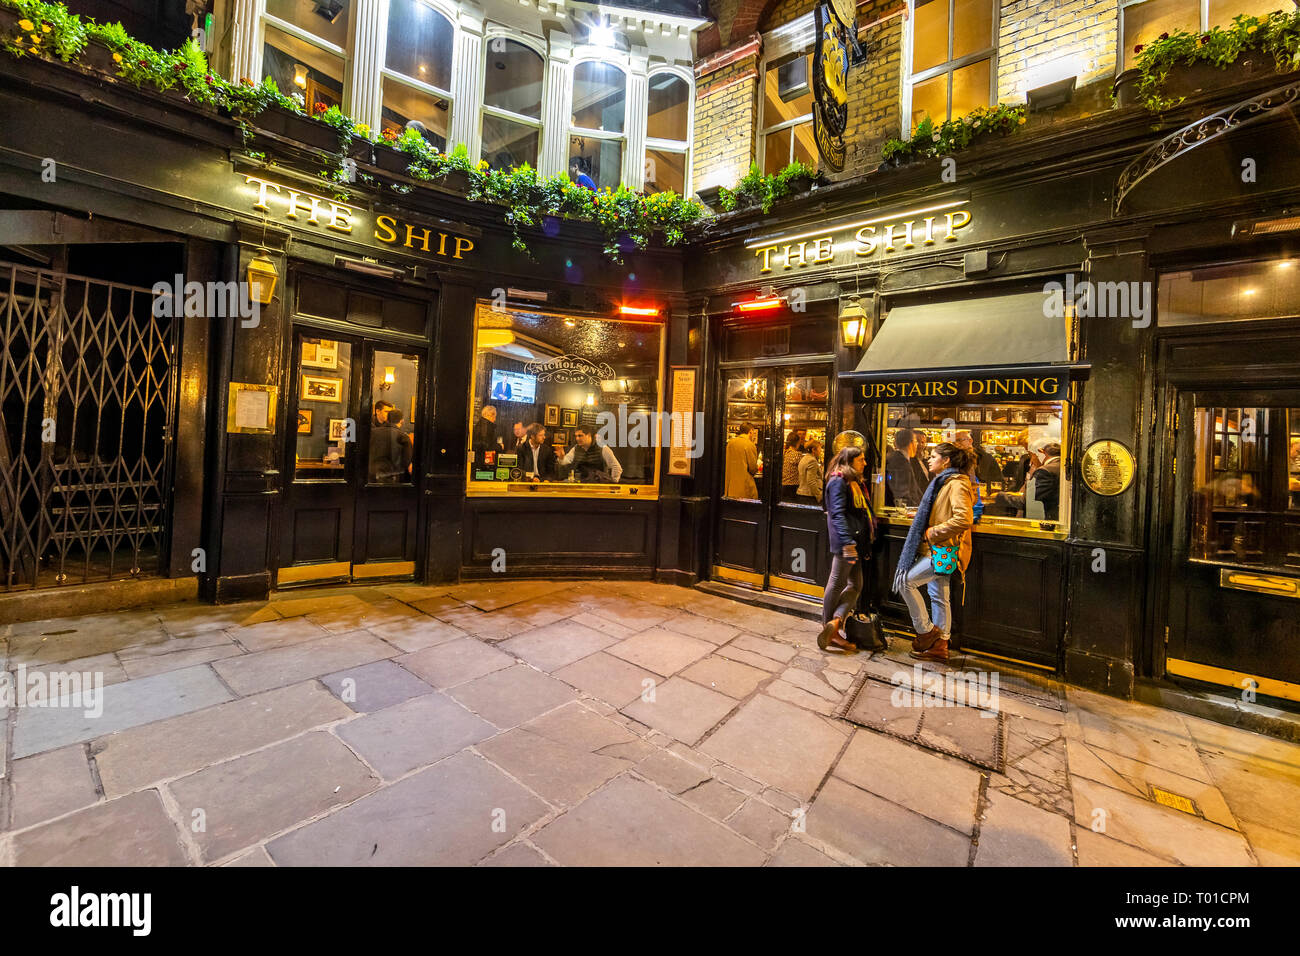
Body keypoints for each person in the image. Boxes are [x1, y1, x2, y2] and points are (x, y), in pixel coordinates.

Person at [891, 442, 975, 663]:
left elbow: (964, 518)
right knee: (939, 596)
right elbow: (942, 510)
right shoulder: (945, 481)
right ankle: (941, 646)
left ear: (946, 461)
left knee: (904, 583)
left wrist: (932, 532)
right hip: (941, 548)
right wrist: (921, 517)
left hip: (944, 548)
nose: (929, 458)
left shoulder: (956, 484)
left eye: (934, 456)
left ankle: (927, 631)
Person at [818, 446, 875, 653]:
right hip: (847, 541)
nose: (865, 463)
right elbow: (837, 515)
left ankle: (835, 621)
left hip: (855, 540)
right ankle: (829, 628)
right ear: (849, 461)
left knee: (856, 585)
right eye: (861, 459)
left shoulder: (853, 481)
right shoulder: (837, 481)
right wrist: (847, 542)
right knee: (836, 582)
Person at [558, 424, 622, 482]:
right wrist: (561, 458)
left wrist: (613, 483)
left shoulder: (602, 448)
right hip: (580, 482)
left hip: (597, 483)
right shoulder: (576, 448)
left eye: (580, 436)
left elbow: (616, 467)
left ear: (588, 435)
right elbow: (566, 461)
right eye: (576, 436)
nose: (577, 438)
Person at [369, 407, 413, 482]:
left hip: (370, 477)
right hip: (392, 478)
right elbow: (406, 462)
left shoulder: (372, 433)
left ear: (387, 419)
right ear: (402, 421)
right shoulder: (403, 437)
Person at [885, 427, 923, 507]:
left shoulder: (901, 459)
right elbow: (902, 493)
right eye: (916, 441)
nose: (917, 445)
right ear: (911, 443)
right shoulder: (899, 461)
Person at [724, 425, 760, 499]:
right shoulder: (750, 445)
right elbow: (752, 468)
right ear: (750, 432)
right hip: (744, 487)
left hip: (730, 487)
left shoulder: (730, 443)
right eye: (753, 432)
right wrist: (757, 466)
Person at [1030, 440, 1062, 520]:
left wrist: (1000, 496)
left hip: (1049, 517)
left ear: (1045, 454)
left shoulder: (1044, 470)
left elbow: (1031, 499)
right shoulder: (1061, 465)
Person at [796, 439, 824, 504]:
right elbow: (811, 481)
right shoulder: (812, 461)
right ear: (813, 450)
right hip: (809, 496)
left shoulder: (805, 458)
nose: (821, 451)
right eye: (819, 448)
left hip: (802, 493)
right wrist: (819, 495)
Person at [781, 430, 804, 499]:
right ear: (797, 443)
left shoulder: (785, 453)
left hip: (783, 485)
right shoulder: (797, 454)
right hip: (792, 487)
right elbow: (804, 466)